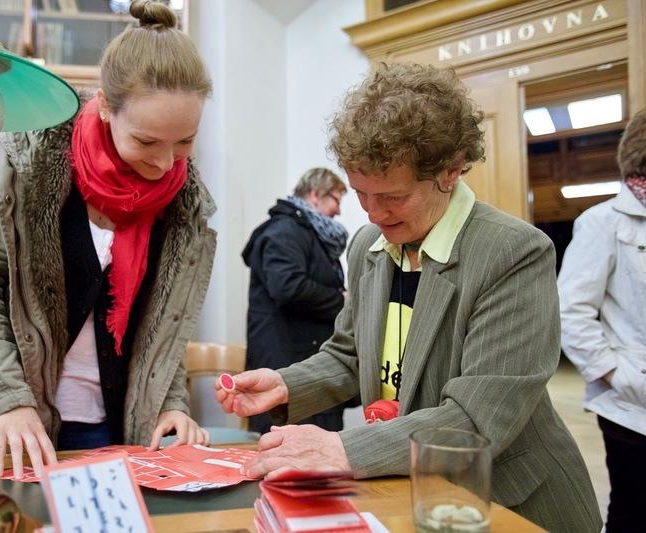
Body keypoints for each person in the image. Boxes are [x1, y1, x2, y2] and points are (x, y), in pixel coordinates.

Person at [216, 62, 601, 532]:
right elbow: (350, 355)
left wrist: (341, 448)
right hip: (412, 490)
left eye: (393, 196)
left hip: (508, 500)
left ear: (451, 170)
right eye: (361, 193)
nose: (375, 214)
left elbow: (478, 416)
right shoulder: (367, 248)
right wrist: (287, 384)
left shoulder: (513, 252)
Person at [0, 0, 216, 480]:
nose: (165, 163)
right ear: (107, 107)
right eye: (147, 142)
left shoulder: (183, 201)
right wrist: (7, 399)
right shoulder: (30, 158)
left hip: (107, 426)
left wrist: (170, 405)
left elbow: (164, 324)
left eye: (185, 142)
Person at [558, 108, 646, 533]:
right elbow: (571, 311)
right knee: (633, 508)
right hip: (631, 406)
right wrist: (618, 374)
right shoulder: (602, 223)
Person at [242, 168, 350, 434]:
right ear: (315, 195)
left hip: (303, 358)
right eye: (336, 199)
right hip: (286, 359)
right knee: (286, 454)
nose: (339, 210)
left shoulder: (309, 233)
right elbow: (288, 287)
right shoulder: (285, 231)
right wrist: (342, 299)